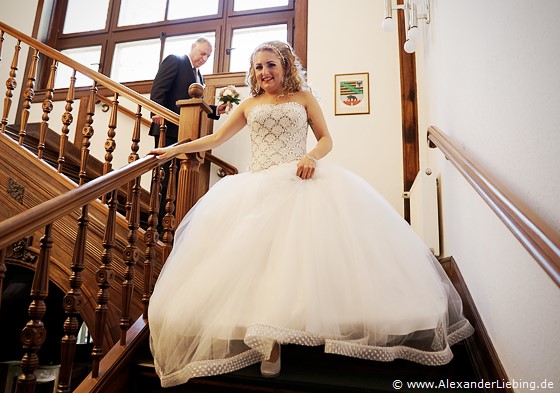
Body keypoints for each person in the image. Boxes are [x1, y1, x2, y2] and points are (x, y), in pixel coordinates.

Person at [147, 41, 474, 388]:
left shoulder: (303, 98)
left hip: (299, 179)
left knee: (297, 266)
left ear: (285, 66)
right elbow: (212, 140)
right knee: (257, 266)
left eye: (270, 65)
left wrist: (312, 157)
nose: (264, 73)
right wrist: (173, 148)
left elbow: (326, 139)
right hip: (256, 186)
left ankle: (294, 333)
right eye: (258, 67)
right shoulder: (249, 104)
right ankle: (266, 343)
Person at [148, 37, 230, 234]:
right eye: (202, 53)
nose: (204, 58)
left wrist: (215, 110)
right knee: (166, 177)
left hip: (185, 133)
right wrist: (155, 111)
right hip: (166, 129)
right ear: (193, 47)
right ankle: (158, 225)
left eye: (208, 56)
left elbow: (193, 104)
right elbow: (159, 88)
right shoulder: (175, 60)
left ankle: (171, 222)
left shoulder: (199, 76)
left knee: (177, 180)